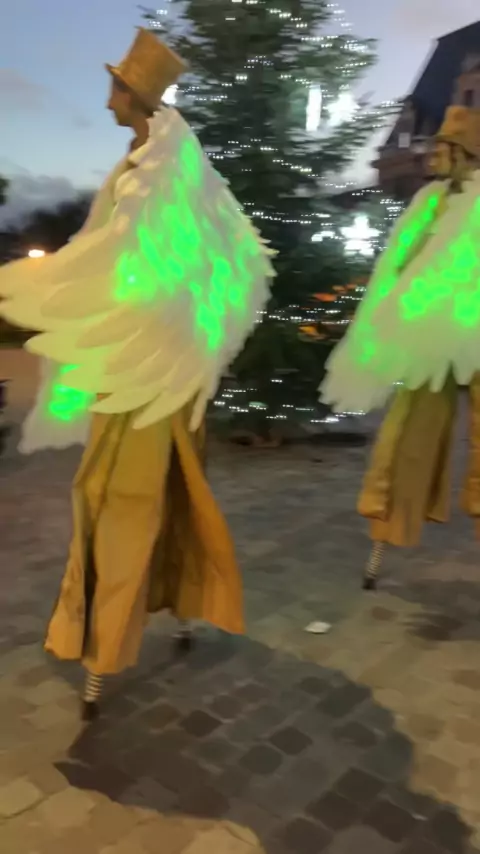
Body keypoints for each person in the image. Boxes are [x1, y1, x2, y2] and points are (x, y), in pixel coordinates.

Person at [0, 28, 275, 720]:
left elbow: (150, 268)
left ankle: (104, 644)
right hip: (141, 371)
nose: (106, 100)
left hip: (153, 378)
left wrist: (41, 293)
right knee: (141, 495)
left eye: (115, 87)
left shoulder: (164, 173)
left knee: (123, 501)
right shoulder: (148, 163)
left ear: (135, 94)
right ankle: (163, 607)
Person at [321, 106, 480, 588]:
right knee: (405, 431)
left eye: (442, 147)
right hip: (430, 339)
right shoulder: (428, 204)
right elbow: (400, 262)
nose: (432, 155)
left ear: (463, 153)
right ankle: (386, 523)